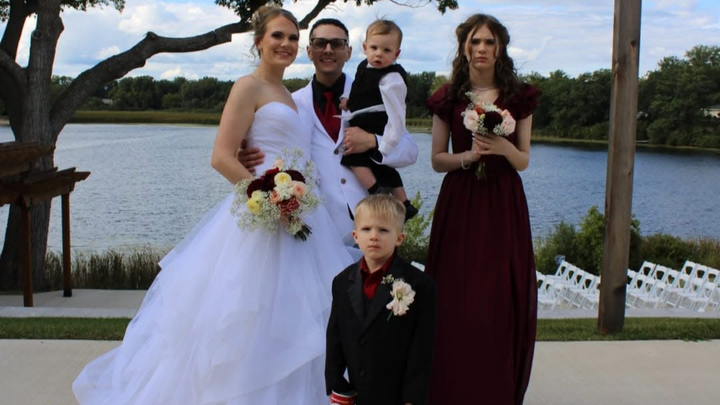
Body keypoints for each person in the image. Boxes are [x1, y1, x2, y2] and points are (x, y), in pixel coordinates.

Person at [72, 6, 354, 404]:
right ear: (259, 41)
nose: (286, 44)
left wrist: (288, 196)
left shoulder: (291, 97)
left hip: (301, 213)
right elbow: (221, 157)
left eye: (293, 37)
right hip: (264, 214)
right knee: (248, 314)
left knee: (303, 313)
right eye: (277, 36)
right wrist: (268, 197)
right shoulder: (246, 87)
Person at [424, 14, 541, 405]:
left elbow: (523, 160)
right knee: (457, 294)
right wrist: (467, 158)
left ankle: (495, 389)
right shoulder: (448, 97)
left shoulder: (518, 97)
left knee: (497, 295)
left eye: (489, 42)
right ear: (464, 47)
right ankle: (450, 387)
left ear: (500, 48)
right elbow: (436, 160)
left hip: (502, 202)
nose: (481, 49)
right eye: (474, 41)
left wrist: (503, 148)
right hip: (461, 200)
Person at [238, 18, 419, 244]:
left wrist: (373, 141)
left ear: (349, 51)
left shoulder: (377, 90)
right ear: (309, 51)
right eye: (320, 43)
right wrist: (245, 158)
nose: (328, 49)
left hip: (369, 228)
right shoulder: (292, 104)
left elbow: (410, 151)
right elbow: (276, 154)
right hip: (314, 228)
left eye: (337, 43)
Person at [325, 194, 436, 405]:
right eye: (366, 229)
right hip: (355, 394)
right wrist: (336, 382)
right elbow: (335, 336)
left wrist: (413, 398)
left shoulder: (420, 285)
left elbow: (422, 348)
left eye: (383, 230)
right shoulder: (342, 282)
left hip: (397, 395)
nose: (374, 236)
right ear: (355, 236)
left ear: (399, 238)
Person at [338, 19, 417, 221]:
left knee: (353, 159)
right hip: (362, 118)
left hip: (377, 122)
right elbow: (359, 89)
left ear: (396, 54)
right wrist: (348, 100)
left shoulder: (392, 78)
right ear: (365, 48)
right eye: (374, 48)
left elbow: (397, 115)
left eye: (386, 50)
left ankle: (376, 190)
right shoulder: (364, 67)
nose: (379, 54)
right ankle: (404, 203)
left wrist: (384, 144)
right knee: (382, 166)